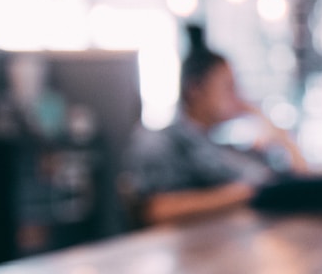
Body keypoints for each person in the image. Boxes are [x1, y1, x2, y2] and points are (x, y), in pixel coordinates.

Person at [123, 26, 309, 225]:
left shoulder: (222, 147)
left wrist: (261, 117)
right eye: (228, 87)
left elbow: (300, 174)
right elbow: (156, 210)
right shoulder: (159, 142)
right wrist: (245, 193)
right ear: (195, 90)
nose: (238, 97)